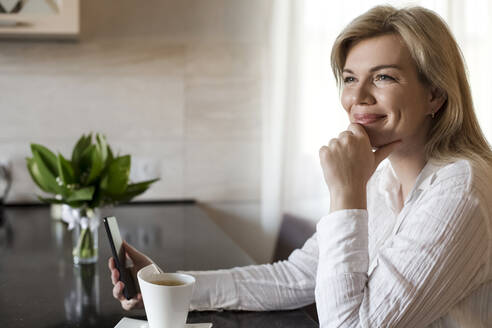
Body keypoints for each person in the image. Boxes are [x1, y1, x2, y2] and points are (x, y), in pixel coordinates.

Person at [109, 5, 492, 327]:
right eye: (349, 78)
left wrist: (346, 192)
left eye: (383, 77)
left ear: (435, 95)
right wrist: (166, 287)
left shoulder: (460, 189)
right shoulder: (385, 178)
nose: (356, 97)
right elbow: (296, 276)